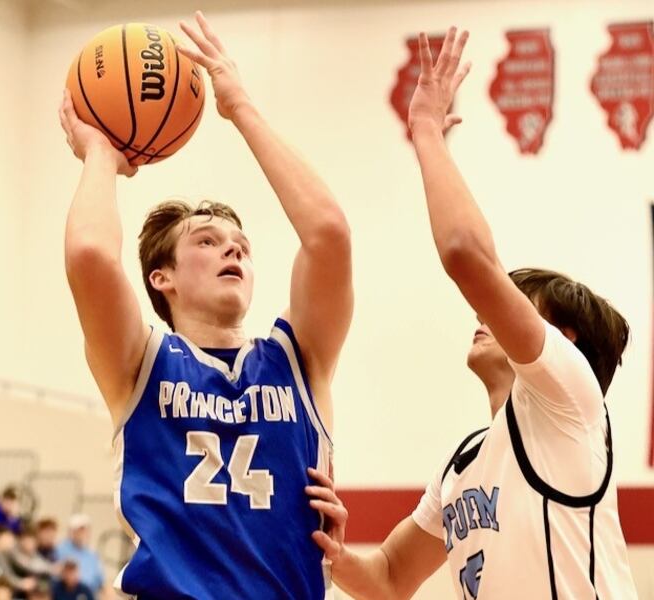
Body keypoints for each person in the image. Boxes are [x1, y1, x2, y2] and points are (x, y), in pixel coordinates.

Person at [305, 27, 638, 600]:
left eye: (510, 301)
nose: (484, 312)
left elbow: (465, 254)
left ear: (563, 339)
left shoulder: (570, 403)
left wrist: (427, 131)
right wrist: (334, 553)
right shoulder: (465, 461)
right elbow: (388, 578)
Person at [58, 11, 352, 599]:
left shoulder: (299, 358)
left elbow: (328, 234)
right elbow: (91, 254)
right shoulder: (139, 361)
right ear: (160, 278)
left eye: (240, 244)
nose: (232, 250)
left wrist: (241, 106)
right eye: (207, 241)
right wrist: (101, 155)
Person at [56, 515, 102, 594]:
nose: (82, 534)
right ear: (71, 532)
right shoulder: (60, 549)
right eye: (79, 530)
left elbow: (100, 580)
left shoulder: (92, 555)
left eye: (84, 530)